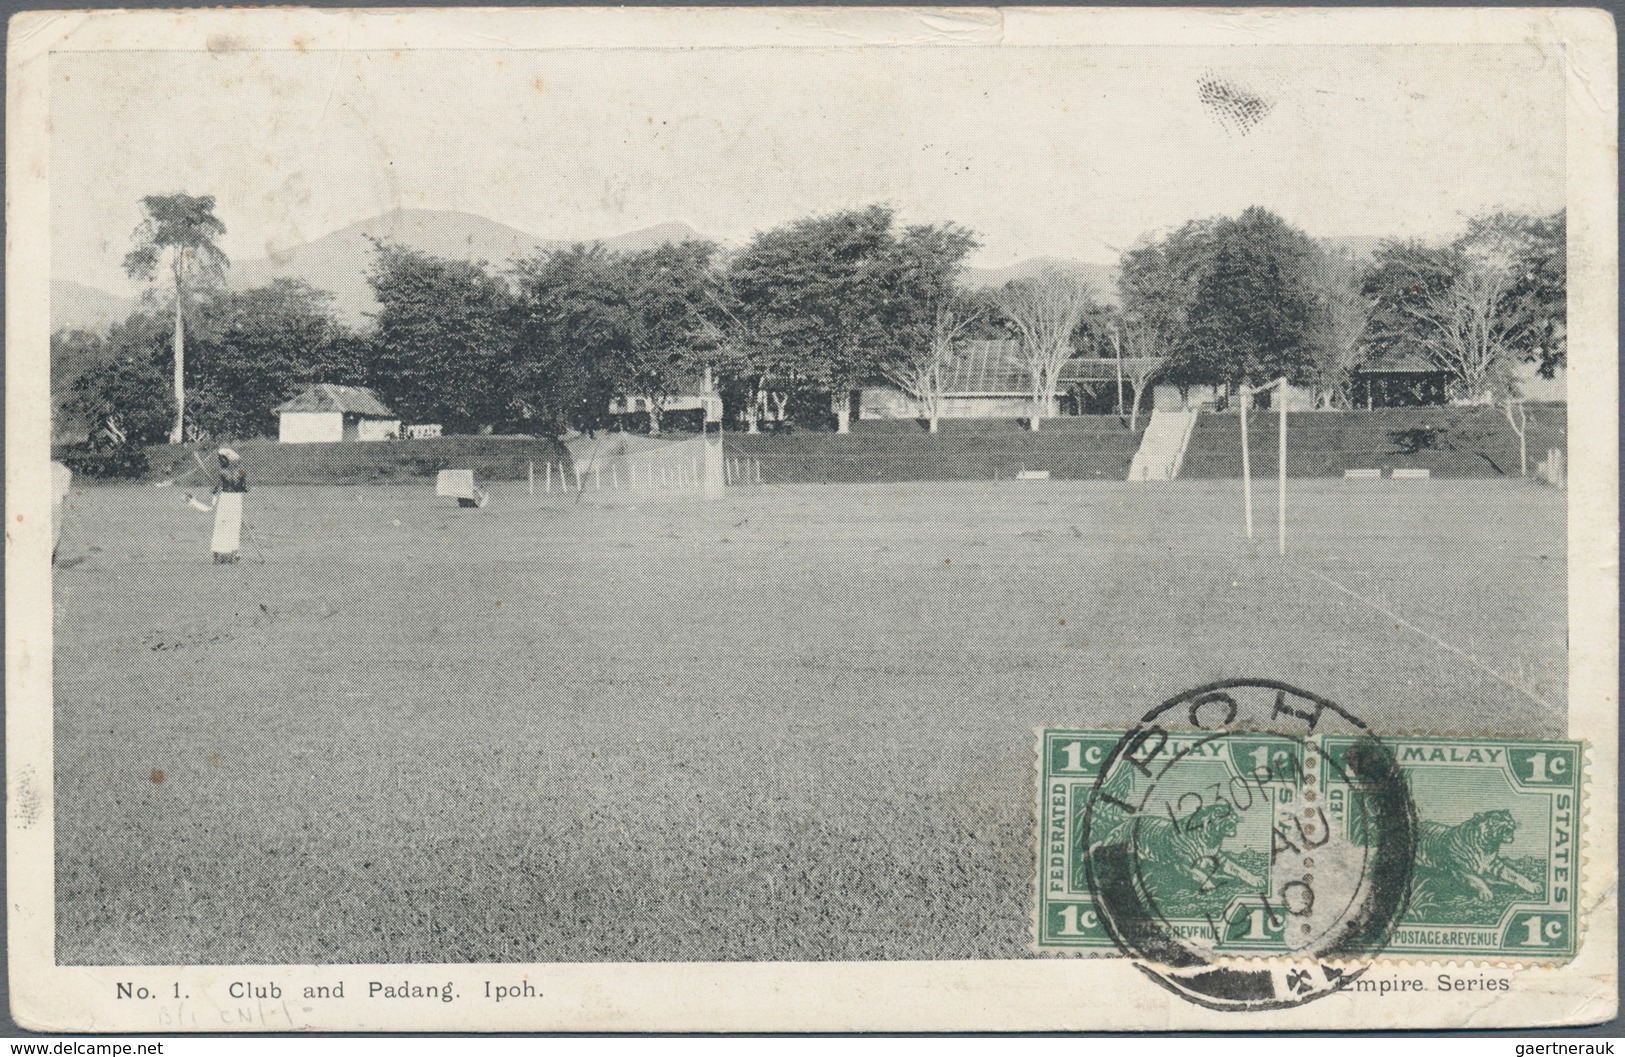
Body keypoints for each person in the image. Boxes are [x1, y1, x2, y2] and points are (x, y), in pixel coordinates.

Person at [210, 448, 247, 563]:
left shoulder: (222, 472)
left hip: (227, 498)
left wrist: (214, 490)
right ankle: (230, 556)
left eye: (222, 459)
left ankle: (219, 557)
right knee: (232, 526)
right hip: (235, 498)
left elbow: (216, 488)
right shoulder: (240, 471)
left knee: (221, 525)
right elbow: (244, 487)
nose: (221, 462)